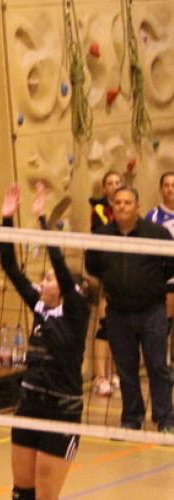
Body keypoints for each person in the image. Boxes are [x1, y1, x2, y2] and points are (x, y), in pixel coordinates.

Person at [0, 183, 90, 500]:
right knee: (21, 492)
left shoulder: (76, 311)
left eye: (48, 279)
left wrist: (42, 220)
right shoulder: (40, 308)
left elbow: (63, 270)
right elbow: (10, 267)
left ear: (66, 289)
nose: (42, 282)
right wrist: (7, 219)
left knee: (46, 496)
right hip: (30, 405)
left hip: (62, 411)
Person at [86, 186, 174, 431]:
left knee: (158, 366)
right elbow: (92, 266)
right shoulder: (102, 235)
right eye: (118, 202)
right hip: (118, 312)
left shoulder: (156, 234)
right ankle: (132, 417)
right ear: (112, 206)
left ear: (137, 206)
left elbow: (171, 266)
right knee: (126, 369)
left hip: (152, 311)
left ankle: (165, 418)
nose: (122, 206)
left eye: (127, 202)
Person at [89, 170, 123, 396]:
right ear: (104, 188)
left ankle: (115, 373)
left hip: (127, 274)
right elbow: (104, 235)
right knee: (105, 324)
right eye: (110, 183)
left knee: (121, 325)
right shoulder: (99, 210)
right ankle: (99, 376)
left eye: (117, 182)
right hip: (107, 272)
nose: (114, 186)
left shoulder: (130, 211)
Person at [145, 171, 174, 382]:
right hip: (165, 279)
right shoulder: (153, 217)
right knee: (165, 322)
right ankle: (162, 366)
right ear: (161, 189)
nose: (170, 189)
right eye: (166, 185)